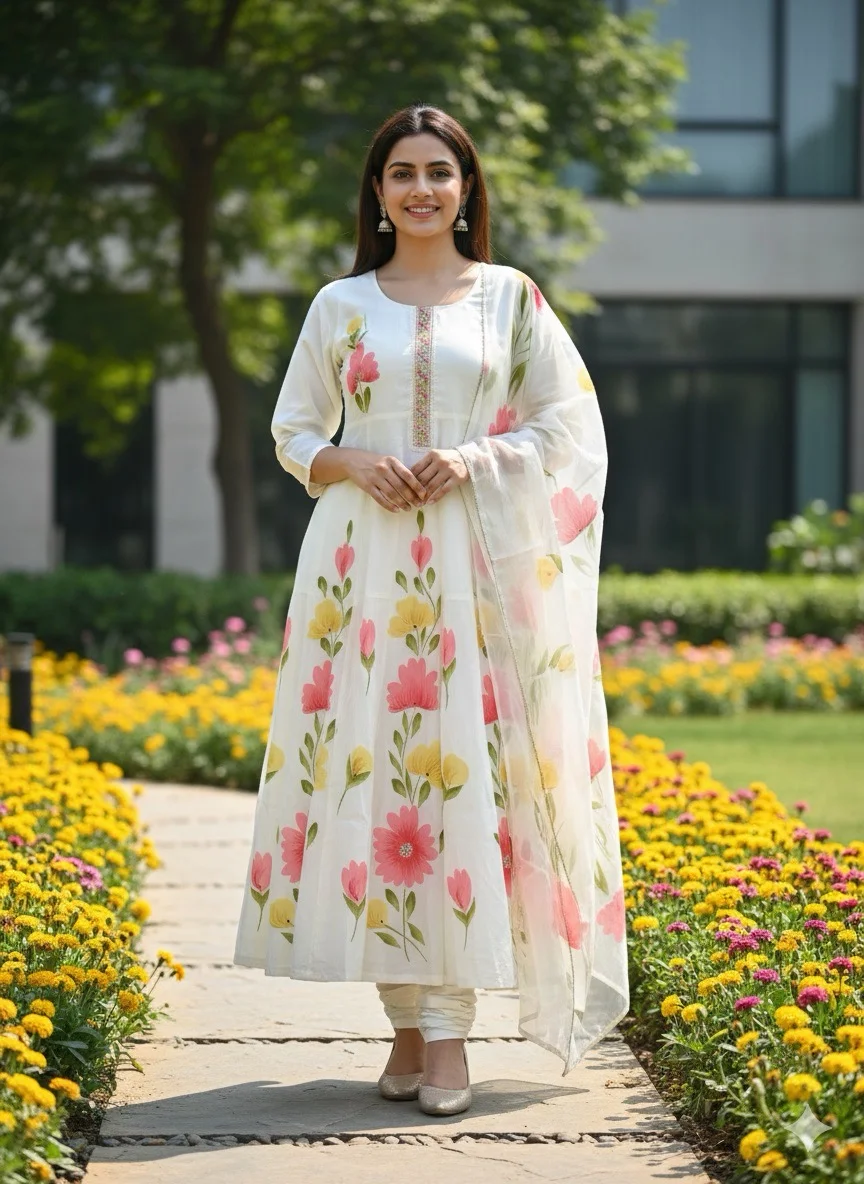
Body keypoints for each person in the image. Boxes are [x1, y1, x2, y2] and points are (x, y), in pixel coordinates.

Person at [233, 104, 629, 1117]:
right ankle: (407, 1024)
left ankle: (448, 1036)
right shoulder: (339, 304)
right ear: (376, 192)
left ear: (466, 191)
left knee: (461, 784)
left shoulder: (510, 301)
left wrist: (471, 456)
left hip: (475, 570)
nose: (420, 189)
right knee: (375, 787)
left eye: (439, 173)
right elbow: (290, 431)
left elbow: (569, 427)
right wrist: (353, 458)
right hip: (357, 573)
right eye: (402, 172)